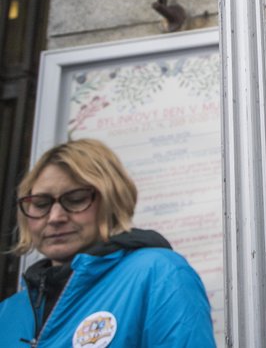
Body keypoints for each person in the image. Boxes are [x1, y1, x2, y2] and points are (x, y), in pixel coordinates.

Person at [0, 138, 215, 347]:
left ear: (113, 201)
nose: (55, 217)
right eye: (40, 204)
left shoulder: (158, 272)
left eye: (76, 199)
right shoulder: (8, 312)